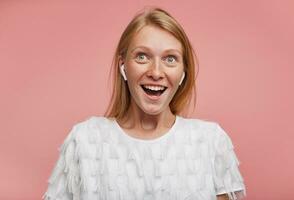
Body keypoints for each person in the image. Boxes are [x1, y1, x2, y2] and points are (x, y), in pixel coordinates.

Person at [42, 6, 246, 200]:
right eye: (142, 56)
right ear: (123, 66)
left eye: (170, 59)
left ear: (183, 73)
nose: (156, 72)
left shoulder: (211, 141)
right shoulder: (85, 140)